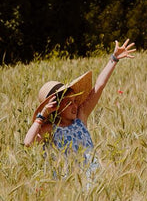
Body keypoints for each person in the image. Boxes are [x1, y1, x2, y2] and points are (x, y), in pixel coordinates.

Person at [24, 39, 136, 182]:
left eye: (75, 101)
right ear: (56, 107)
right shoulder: (49, 129)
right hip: (67, 185)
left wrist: (113, 59)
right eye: (69, 102)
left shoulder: (80, 118)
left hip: (92, 180)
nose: (75, 105)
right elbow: (28, 143)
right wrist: (42, 116)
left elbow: (99, 86)